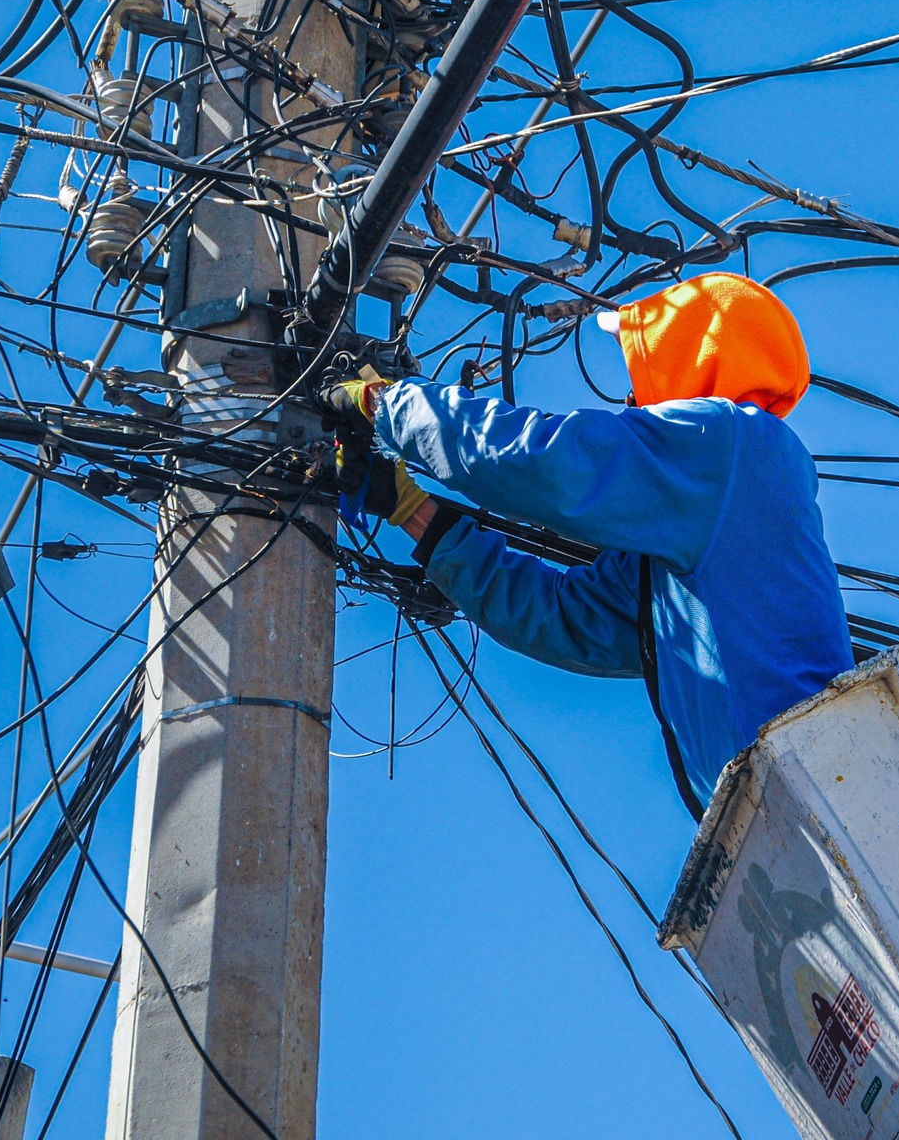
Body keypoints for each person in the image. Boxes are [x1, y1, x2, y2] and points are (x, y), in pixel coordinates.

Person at [325, 273, 853, 814]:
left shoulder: (732, 442)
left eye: (643, 368)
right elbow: (569, 619)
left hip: (810, 790)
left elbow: (550, 463)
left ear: (692, 357)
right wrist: (413, 511)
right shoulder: (697, 523)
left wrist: (386, 404)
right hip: (786, 813)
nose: (629, 397)